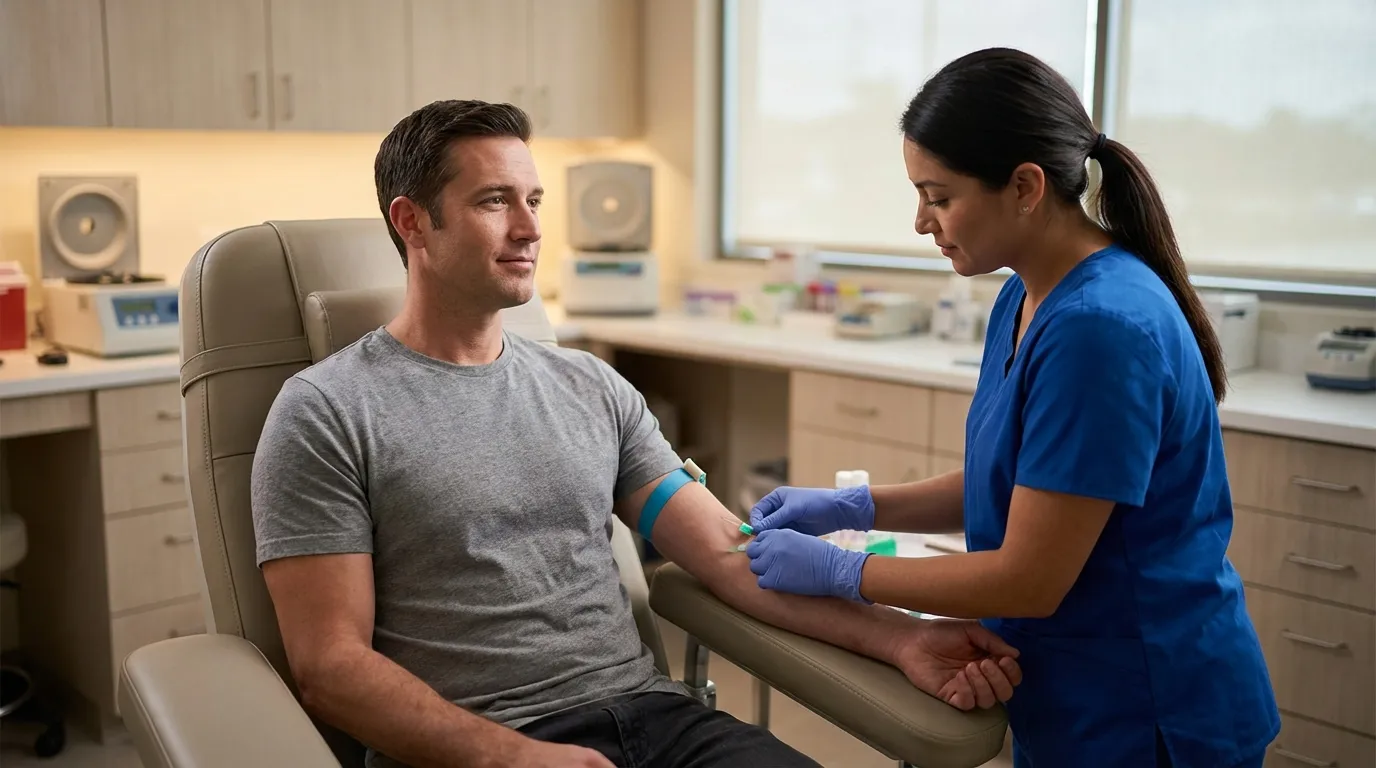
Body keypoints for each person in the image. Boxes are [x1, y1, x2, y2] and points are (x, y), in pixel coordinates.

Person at [250, 99, 1023, 768]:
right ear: (411, 221)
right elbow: (331, 665)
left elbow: (729, 558)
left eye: (534, 200)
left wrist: (901, 641)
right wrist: (510, 755)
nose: (529, 229)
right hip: (483, 744)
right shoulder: (326, 412)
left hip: (658, 722)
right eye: (494, 201)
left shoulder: (590, 387)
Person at [745, 48, 1279, 767]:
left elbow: (1028, 574)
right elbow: (1023, 486)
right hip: (1070, 695)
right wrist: (856, 507)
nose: (920, 222)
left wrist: (843, 574)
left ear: (1025, 186)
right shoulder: (1024, 295)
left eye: (938, 197)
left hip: (1148, 711)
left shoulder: (1101, 327)